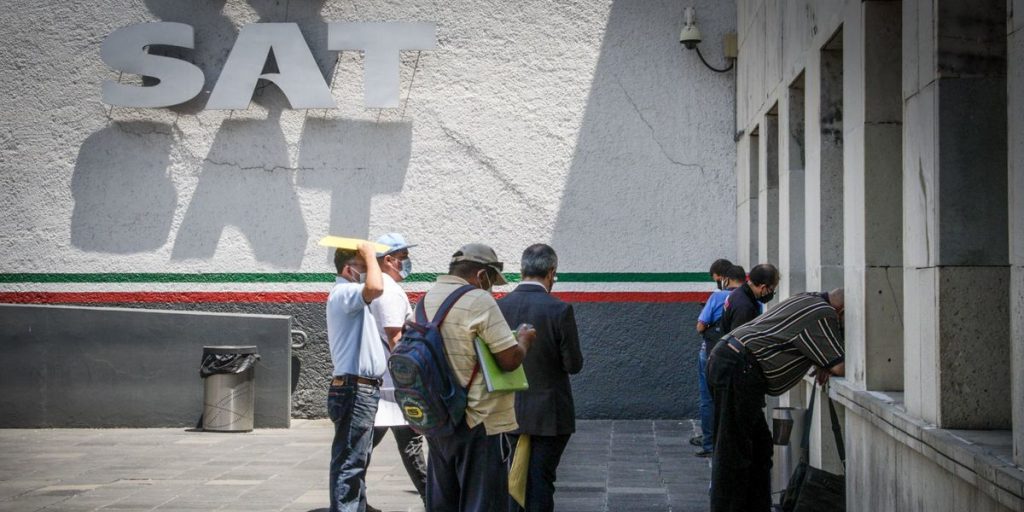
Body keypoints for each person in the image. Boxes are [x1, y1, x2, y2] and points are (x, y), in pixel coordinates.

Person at [421, 243, 536, 512]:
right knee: (482, 502)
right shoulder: (479, 300)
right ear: (482, 275)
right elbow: (509, 360)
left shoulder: (427, 299)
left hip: (439, 417)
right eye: (492, 281)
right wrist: (523, 340)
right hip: (477, 419)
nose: (491, 288)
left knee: (444, 501)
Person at [707, 289, 846, 512]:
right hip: (739, 367)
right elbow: (840, 366)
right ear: (842, 312)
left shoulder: (808, 298)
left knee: (759, 449)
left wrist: (824, 360)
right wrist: (829, 361)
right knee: (734, 452)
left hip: (733, 361)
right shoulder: (824, 313)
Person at [497, 244, 584, 512]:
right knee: (541, 481)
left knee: (512, 478)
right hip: (550, 413)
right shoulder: (560, 309)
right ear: (551, 272)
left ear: (522, 270)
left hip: (508, 410)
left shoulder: (500, 307)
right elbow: (573, 365)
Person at [365, 233, 426, 509]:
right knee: (407, 445)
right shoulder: (388, 291)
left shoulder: (381, 287)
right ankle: (434, 499)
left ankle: (353, 499)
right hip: (393, 387)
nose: (408, 262)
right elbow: (395, 339)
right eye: (404, 257)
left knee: (367, 448)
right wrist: (412, 378)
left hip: (387, 386)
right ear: (388, 260)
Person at [326, 242, 386, 512]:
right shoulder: (345, 292)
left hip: (361, 389)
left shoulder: (349, 296)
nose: (369, 271)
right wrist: (370, 255)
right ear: (348, 270)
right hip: (355, 389)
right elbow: (375, 287)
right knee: (350, 463)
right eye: (362, 267)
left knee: (356, 460)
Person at [691, 264, 746, 457]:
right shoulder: (750, 300)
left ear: (725, 279)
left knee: (708, 398)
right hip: (738, 354)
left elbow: (700, 326)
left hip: (711, 351)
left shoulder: (717, 297)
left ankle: (709, 443)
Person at [719, 263, 780, 334]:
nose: (771, 293)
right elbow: (740, 337)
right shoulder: (745, 307)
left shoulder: (738, 292)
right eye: (771, 290)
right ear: (763, 287)